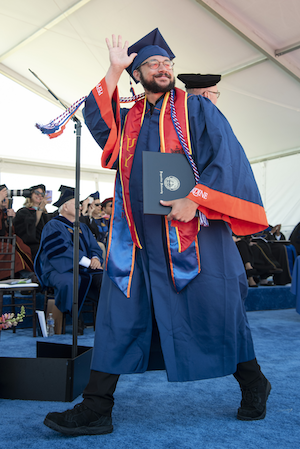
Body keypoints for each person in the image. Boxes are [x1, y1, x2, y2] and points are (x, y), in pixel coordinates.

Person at [44, 29, 271, 436]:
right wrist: (112, 71)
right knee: (119, 314)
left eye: (167, 63)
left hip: (191, 235)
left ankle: (254, 382)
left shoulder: (195, 110)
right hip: (134, 239)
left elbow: (227, 156)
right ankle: (98, 406)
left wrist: (196, 199)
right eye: (152, 63)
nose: (163, 68)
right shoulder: (130, 118)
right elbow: (100, 127)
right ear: (138, 73)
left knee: (214, 311)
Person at [34, 189, 103, 328]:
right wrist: (88, 262)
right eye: (76, 204)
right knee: (71, 281)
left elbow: (95, 247)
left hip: (84, 268)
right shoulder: (53, 225)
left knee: (104, 277)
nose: (81, 207)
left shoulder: (83, 227)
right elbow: (61, 250)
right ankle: (75, 317)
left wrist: (95, 258)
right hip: (58, 269)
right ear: (65, 206)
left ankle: (105, 317)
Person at [0, 185, 34, 279]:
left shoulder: (3, 211)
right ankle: (22, 273)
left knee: (22, 246)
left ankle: (24, 272)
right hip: (2, 242)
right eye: (4, 197)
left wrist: (10, 219)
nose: (5, 200)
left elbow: (6, 230)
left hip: (4, 239)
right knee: (8, 248)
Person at [13, 184, 50, 260]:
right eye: (37, 193)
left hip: (44, 244)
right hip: (31, 246)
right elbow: (30, 227)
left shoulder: (45, 214)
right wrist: (40, 208)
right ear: (30, 194)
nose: (40, 195)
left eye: (42, 194)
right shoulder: (23, 212)